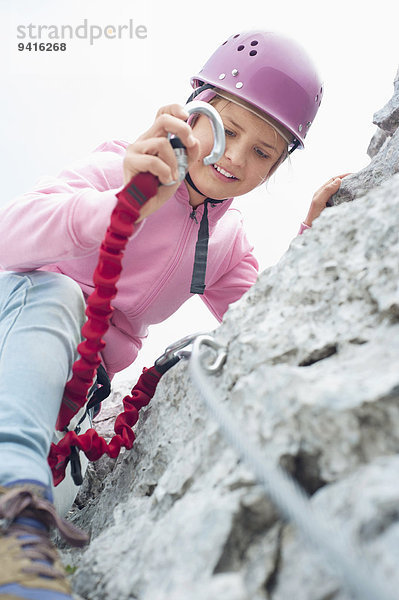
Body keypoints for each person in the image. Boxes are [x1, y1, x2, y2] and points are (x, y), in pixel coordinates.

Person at [0, 30, 347, 599]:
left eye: (262, 152)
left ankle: (27, 515)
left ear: (277, 166)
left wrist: (316, 237)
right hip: (20, 331)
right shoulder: (121, 164)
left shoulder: (228, 243)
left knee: (68, 491)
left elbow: (265, 320)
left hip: (73, 396)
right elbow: (8, 235)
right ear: (195, 113)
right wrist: (117, 205)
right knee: (59, 297)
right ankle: (11, 515)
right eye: (228, 130)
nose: (235, 157)